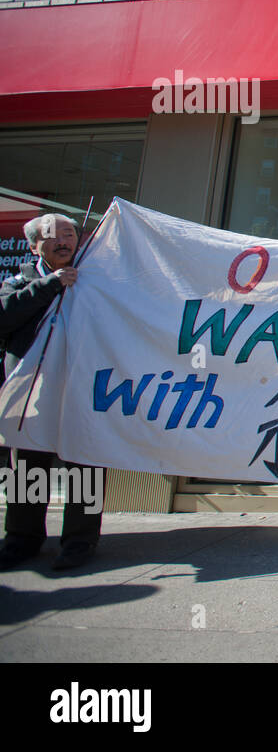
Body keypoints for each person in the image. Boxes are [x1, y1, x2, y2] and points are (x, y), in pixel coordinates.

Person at [0, 213, 104, 570]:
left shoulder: (95, 280)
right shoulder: (19, 283)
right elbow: (5, 317)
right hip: (32, 390)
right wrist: (51, 286)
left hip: (82, 386)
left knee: (85, 463)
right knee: (28, 467)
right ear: (33, 245)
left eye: (69, 234)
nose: (64, 241)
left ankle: (80, 540)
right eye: (53, 236)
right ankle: (21, 539)